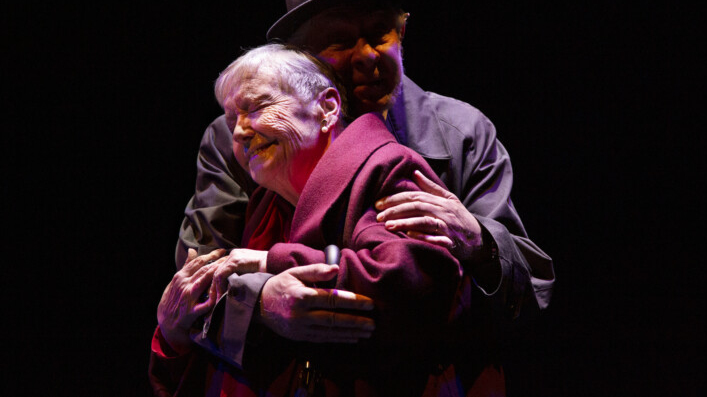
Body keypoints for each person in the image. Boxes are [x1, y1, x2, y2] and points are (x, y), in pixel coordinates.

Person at [163, 0, 554, 387]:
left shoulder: (459, 131)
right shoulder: (244, 138)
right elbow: (198, 274)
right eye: (340, 41)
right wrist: (262, 301)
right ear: (300, 58)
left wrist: (479, 240)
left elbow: (530, 286)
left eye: (380, 33)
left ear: (402, 31)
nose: (367, 55)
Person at [152, 44, 475, 395]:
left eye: (256, 108)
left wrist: (270, 261)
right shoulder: (265, 204)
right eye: (232, 121)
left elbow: (408, 280)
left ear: (327, 108)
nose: (240, 131)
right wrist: (173, 331)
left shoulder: (385, 168)